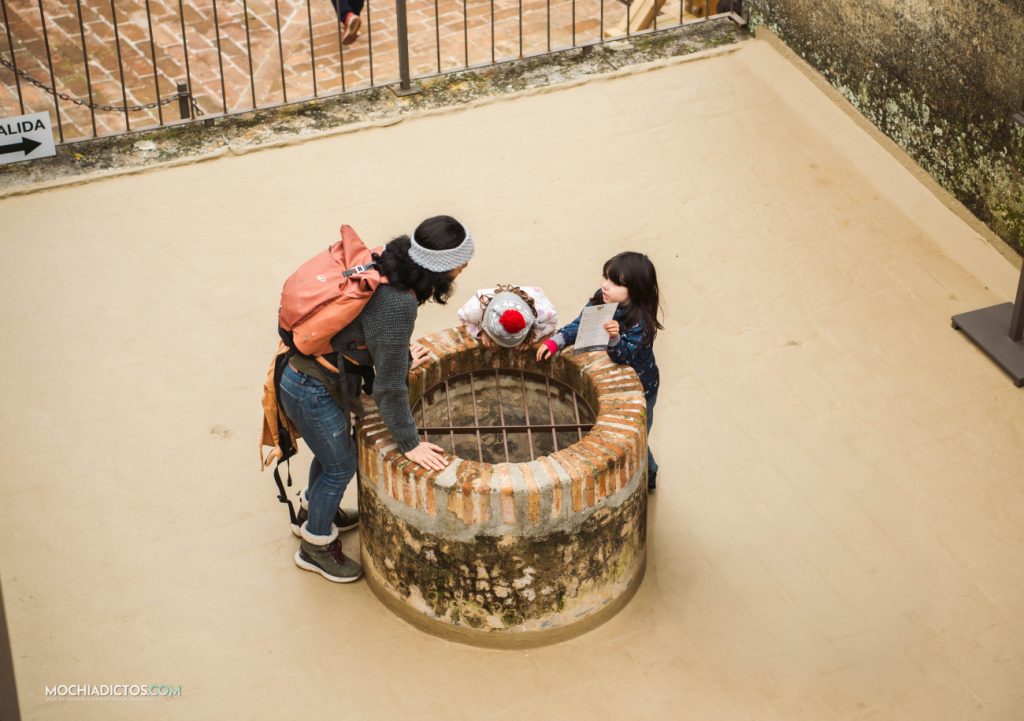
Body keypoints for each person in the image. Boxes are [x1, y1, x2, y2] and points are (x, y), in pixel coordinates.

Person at [278, 215, 473, 583]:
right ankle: (315, 546)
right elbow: (388, 386)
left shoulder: (388, 259)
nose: (463, 270)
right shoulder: (398, 303)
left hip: (307, 374)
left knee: (330, 455)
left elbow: (369, 340)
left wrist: (404, 355)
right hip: (312, 388)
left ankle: (315, 510)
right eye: (461, 265)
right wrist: (409, 442)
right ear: (442, 270)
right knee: (340, 466)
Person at [536, 252, 663, 491]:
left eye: (615, 283)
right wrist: (558, 340)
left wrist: (614, 338)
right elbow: (581, 323)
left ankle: (650, 475)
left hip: (643, 388)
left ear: (634, 290)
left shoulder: (641, 323)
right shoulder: (601, 298)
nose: (605, 285)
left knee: (639, 436)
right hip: (618, 381)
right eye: (606, 277)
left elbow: (624, 357)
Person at [457, 284, 558, 350]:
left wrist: (531, 337)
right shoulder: (475, 308)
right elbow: (463, 318)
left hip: (531, 297)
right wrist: (481, 331)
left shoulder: (543, 312)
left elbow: (552, 322)